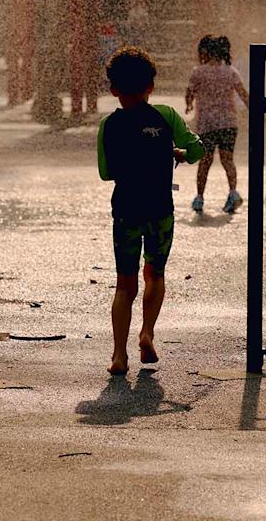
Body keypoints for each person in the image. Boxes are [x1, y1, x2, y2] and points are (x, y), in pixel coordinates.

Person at [98, 47, 204, 375]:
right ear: (151, 87)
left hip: (126, 210)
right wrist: (178, 153)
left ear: (114, 89)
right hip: (160, 210)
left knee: (124, 283)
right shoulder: (167, 117)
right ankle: (147, 333)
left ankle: (119, 355)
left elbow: (106, 171)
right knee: (154, 273)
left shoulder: (109, 125)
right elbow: (197, 149)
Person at [185, 35, 249, 214]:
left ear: (205, 51)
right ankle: (233, 192)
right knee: (227, 159)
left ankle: (199, 197)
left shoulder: (198, 72)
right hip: (228, 123)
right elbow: (243, 93)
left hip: (208, 124)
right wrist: (256, 111)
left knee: (205, 161)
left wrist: (189, 104)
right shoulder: (230, 71)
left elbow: (190, 91)